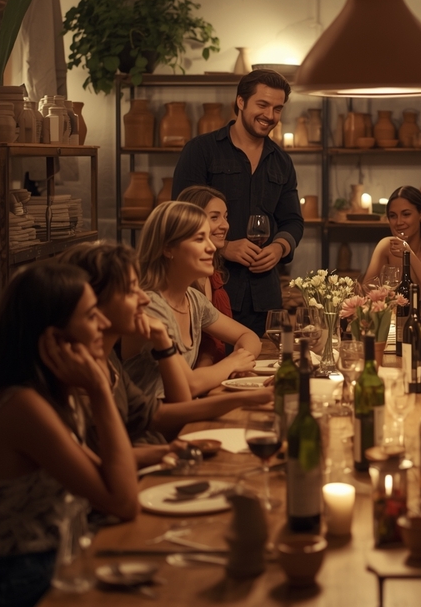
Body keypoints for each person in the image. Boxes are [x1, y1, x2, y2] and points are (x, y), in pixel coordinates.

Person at [0, 262, 138, 607]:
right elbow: (123, 501)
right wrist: (100, 391)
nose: (104, 323)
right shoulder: (22, 406)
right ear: (55, 338)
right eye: (91, 315)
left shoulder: (50, 394)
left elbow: (109, 475)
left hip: (54, 563)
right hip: (21, 585)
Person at [60, 242, 271, 466]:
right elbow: (109, 475)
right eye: (132, 290)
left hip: (149, 452)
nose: (143, 298)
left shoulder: (107, 359)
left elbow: (158, 415)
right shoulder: (72, 376)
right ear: (94, 302)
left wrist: (254, 397)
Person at [172, 68, 304, 336]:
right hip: (209, 289)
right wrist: (225, 247)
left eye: (277, 109)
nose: (270, 115)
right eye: (262, 105)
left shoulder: (281, 161)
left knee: (259, 371)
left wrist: (279, 248)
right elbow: (179, 217)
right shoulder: (201, 150)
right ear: (241, 102)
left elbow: (293, 221)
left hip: (264, 298)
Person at [121, 201, 261, 400]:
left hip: (183, 415)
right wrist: (232, 364)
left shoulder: (193, 299)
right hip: (154, 425)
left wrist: (240, 361)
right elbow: (189, 384)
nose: (212, 247)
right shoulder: (150, 304)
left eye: (208, 238)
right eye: (199, 239)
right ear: (168, 248)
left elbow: (249, 336)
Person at [176, 185, 232, 364]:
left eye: (225, 216)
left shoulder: (211, 276)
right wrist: (232, 364)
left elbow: (246, 337)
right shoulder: (166, 295)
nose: (225, 225)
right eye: (215, 217)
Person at [363, 185, 421, 288]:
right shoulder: (386, 246)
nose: (399, 222)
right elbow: (365, 292)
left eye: (406, 214)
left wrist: (409, 255)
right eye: (393, 216)